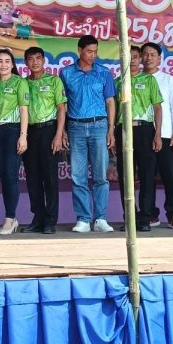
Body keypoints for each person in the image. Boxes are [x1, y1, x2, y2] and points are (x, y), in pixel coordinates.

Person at [59, 35, 116, 233]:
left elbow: (110, 102)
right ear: (80, 50)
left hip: (99, 126)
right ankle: (83, 219)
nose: (93, 55)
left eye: (95, 51)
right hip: (75, 127)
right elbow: (62, 104)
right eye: (89, 51)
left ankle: (100, 218)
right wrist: (63, 130)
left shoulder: (104, 73)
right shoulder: (66, 73)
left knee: (101, 176)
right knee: (78, 176)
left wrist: (111, 128)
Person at [114, 46, 163, 232]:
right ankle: (130, 218)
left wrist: (158, 134)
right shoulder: (117, 82)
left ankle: (145, 218)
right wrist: (112, 133)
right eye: (129, 57)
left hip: (145, 129)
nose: (132, 60)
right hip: (123, 130)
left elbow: (157, 108)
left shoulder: (149, 80)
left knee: (147, 175)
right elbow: (113, 109)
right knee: (125, 176)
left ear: (140, 59)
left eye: (135, 56)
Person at [140, 42, 173, 229]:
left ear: (159, 58)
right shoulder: (136, 79)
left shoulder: (168, 80)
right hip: (143, 136)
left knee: (170, 177)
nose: (148, 58)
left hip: (166, 135)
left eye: (153, 55)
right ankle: (150, 215)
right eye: (145, 54)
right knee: (147, 178)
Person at [22, 47, 67, 234]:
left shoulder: (54, 80)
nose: (35, 62)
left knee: (50, 178)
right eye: (31, 59)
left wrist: (58, 134)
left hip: (49, 131)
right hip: (29, 133)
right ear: (26, 62)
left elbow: (61, 108)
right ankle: (37, 219)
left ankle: (50, 221)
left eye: (38, 58)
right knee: (32, 178)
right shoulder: (23, 83)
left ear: (43, 60)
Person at [0, 48, 30, 235]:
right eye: (0, 61)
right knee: (4, 177)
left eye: (7, 61)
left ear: (13, 64)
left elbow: (24, 110)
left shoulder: (20, 82)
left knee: (11, 176)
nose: (3, 65)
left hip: (14, 131)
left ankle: (10, 218)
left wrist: (23, 135)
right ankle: (10, 219)